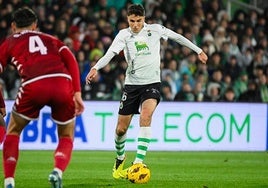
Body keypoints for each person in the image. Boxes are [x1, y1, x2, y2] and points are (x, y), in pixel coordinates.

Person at [86, 4, 207, 179]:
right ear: (128, 20)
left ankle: (138, 163)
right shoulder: (123, 35)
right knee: (121, 130)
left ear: (144, 19)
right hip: (132, 85)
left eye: (139, 21)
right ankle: (120, 158)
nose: (135, 24)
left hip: (152, 83)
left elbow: (177, 37)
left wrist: (199, 50)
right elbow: (110, 53)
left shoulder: (156, 30)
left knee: (146, 116)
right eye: (132, 21)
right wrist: (95, 67)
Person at [0, 7, 84, 188]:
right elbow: (70, 59)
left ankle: (9, 181)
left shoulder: (9, 42)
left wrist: (0, 102)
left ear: (13, 26)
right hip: (63, 83)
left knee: (13, 131)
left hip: (34, 85)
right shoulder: (50, 39)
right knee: (66, 134)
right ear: (35, 25)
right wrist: (77, 92)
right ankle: (57, 171)